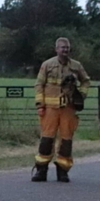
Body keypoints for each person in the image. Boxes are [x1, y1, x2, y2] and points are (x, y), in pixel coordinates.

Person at [32, 37, 91, 183]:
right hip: (50, 109)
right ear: (56, 49)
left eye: (67, 47)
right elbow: (39, 84)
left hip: (68, 109)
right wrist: (40, 104)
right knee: (46, 140)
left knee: (66, 141)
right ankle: (41, 170)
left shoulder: (76, 66)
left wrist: (81, 95)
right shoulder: (47, 65)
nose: (65, 50)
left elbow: (86, 81)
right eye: (62, 47)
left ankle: (62, 171)